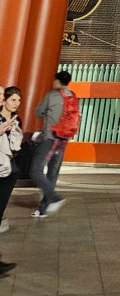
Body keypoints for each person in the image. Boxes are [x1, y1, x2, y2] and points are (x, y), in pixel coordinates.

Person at [30, 71, 75, 218]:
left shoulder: (52, 95)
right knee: (52, 174)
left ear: (57, 81)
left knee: (35, 170)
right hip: (63, 141)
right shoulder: (73, 96)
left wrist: (47, 115)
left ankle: (55, 197)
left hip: (50, 139)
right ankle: (43, 209)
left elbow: (38, 112)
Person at [0, 87, 22, 275]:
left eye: (18, 100)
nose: (16, 103)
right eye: (12, 99)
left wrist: (13, 131)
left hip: (8, 171)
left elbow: (16, 147)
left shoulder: (15, 120)